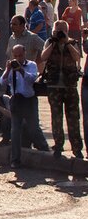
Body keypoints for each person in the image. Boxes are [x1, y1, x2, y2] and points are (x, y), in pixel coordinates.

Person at [40, 20, 84, 159]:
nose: (60, 32)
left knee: (73, 118)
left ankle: (76, 147)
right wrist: (54, 42)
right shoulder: (49, 42)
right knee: (56, 117)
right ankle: (58, 145)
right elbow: (43, 57)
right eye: (58, 30)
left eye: (63, 30)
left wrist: (66, 42)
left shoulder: (73, 43)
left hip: (69, 86)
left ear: (67, 31)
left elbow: (77, 57)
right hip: (54, 86)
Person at [0, 44, 49, 168]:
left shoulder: (31, 65)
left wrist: (21, 70)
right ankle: (15, 159)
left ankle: (45, 149)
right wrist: (7, 70)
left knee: (34, 127)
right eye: (15, 56)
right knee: (15, 130)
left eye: (20, 55)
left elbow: (32, 79)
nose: (18, 58)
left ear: (24, 53)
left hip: (29, 100)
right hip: (16, 100)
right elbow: (2, 81)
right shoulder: (11, 67)